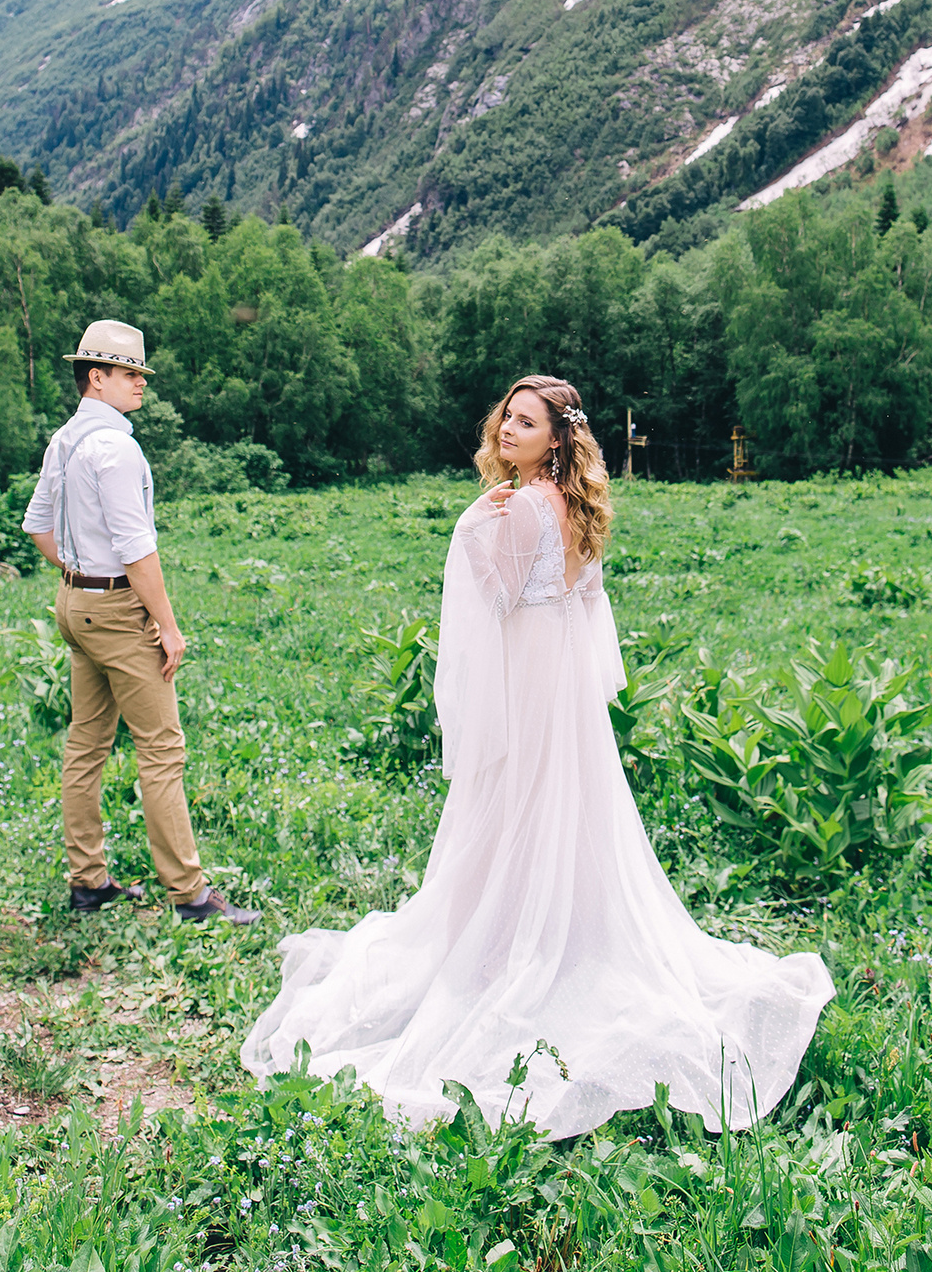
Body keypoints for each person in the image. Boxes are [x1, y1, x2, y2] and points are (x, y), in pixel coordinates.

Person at [242, 375, 832, 1136]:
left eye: (527, 423)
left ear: (557, 438)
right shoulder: (573, 504)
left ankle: (508, 947)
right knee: (563, 809)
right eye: (506, 418)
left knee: (512, 808)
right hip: (563, 687)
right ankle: (553, 927)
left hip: (527, 679)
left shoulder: (518, 507)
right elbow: (583, 597)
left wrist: (467, 530)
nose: (508, 430)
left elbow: (493, 602)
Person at [23, 318, 258, 926]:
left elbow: (38, 527)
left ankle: (88, 881)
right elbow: (137, 547)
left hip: (75, 604)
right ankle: (190, 895)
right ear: (95, 377)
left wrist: (78, 573)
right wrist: (166, 624)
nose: (141, 386)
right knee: (161, 748)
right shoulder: (115, 447)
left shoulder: (64, 441)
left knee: (86, 742)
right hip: (117, 607)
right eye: (130, 374)